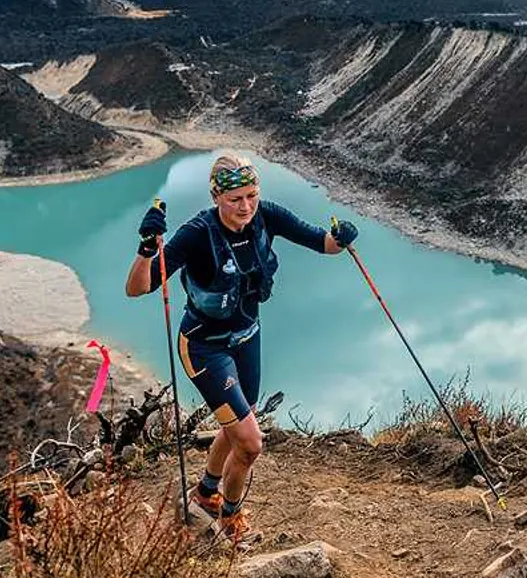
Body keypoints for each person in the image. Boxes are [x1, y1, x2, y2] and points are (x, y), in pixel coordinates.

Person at [124, 153, 356, 542]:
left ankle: (205, 493)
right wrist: (147, 249)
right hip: (203, 346)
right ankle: (231, 519)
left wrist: (343, 236)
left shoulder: (267, 215)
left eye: (251, 195)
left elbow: (323, 243)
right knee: (249, 443)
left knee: (236, 425)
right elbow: (137, 289)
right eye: (235, 199)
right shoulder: (198, 233)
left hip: (247, 338)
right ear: (216, 196)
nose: (246, 206)